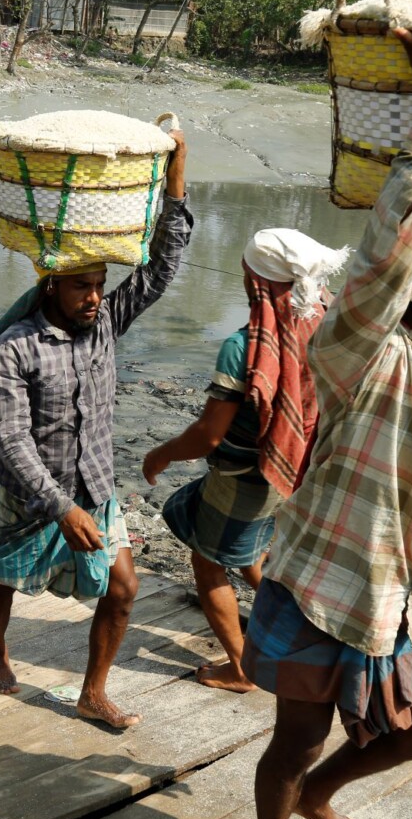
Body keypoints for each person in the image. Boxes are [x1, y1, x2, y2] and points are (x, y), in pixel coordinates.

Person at [245, 6, 412, 819]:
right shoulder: (359, 340)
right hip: (329, 582)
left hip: (410, 586)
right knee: (295, 735)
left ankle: (317, 794)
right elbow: (383, 251)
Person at [0, 131, 191, 730]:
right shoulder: (14, 351)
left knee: (123, 588)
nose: (95, 296)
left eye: (99, 284)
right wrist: (58, 506)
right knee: (4, 578)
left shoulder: (104, 323)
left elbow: (161, 269)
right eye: (81, 286)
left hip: (94, 486)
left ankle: (93, 691)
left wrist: (175, 179)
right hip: (28, 496)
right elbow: (9, 440)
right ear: (52, 286)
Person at [142, 229, 348, 694]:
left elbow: (208, 434)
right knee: (250, 546)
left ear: (256, 283)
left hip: (247, 476)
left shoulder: (245, 348)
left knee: (208, 562)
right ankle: (300, 628)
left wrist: (161, 454)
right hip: (300, 467)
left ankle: (241, 668)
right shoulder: (325, 320)